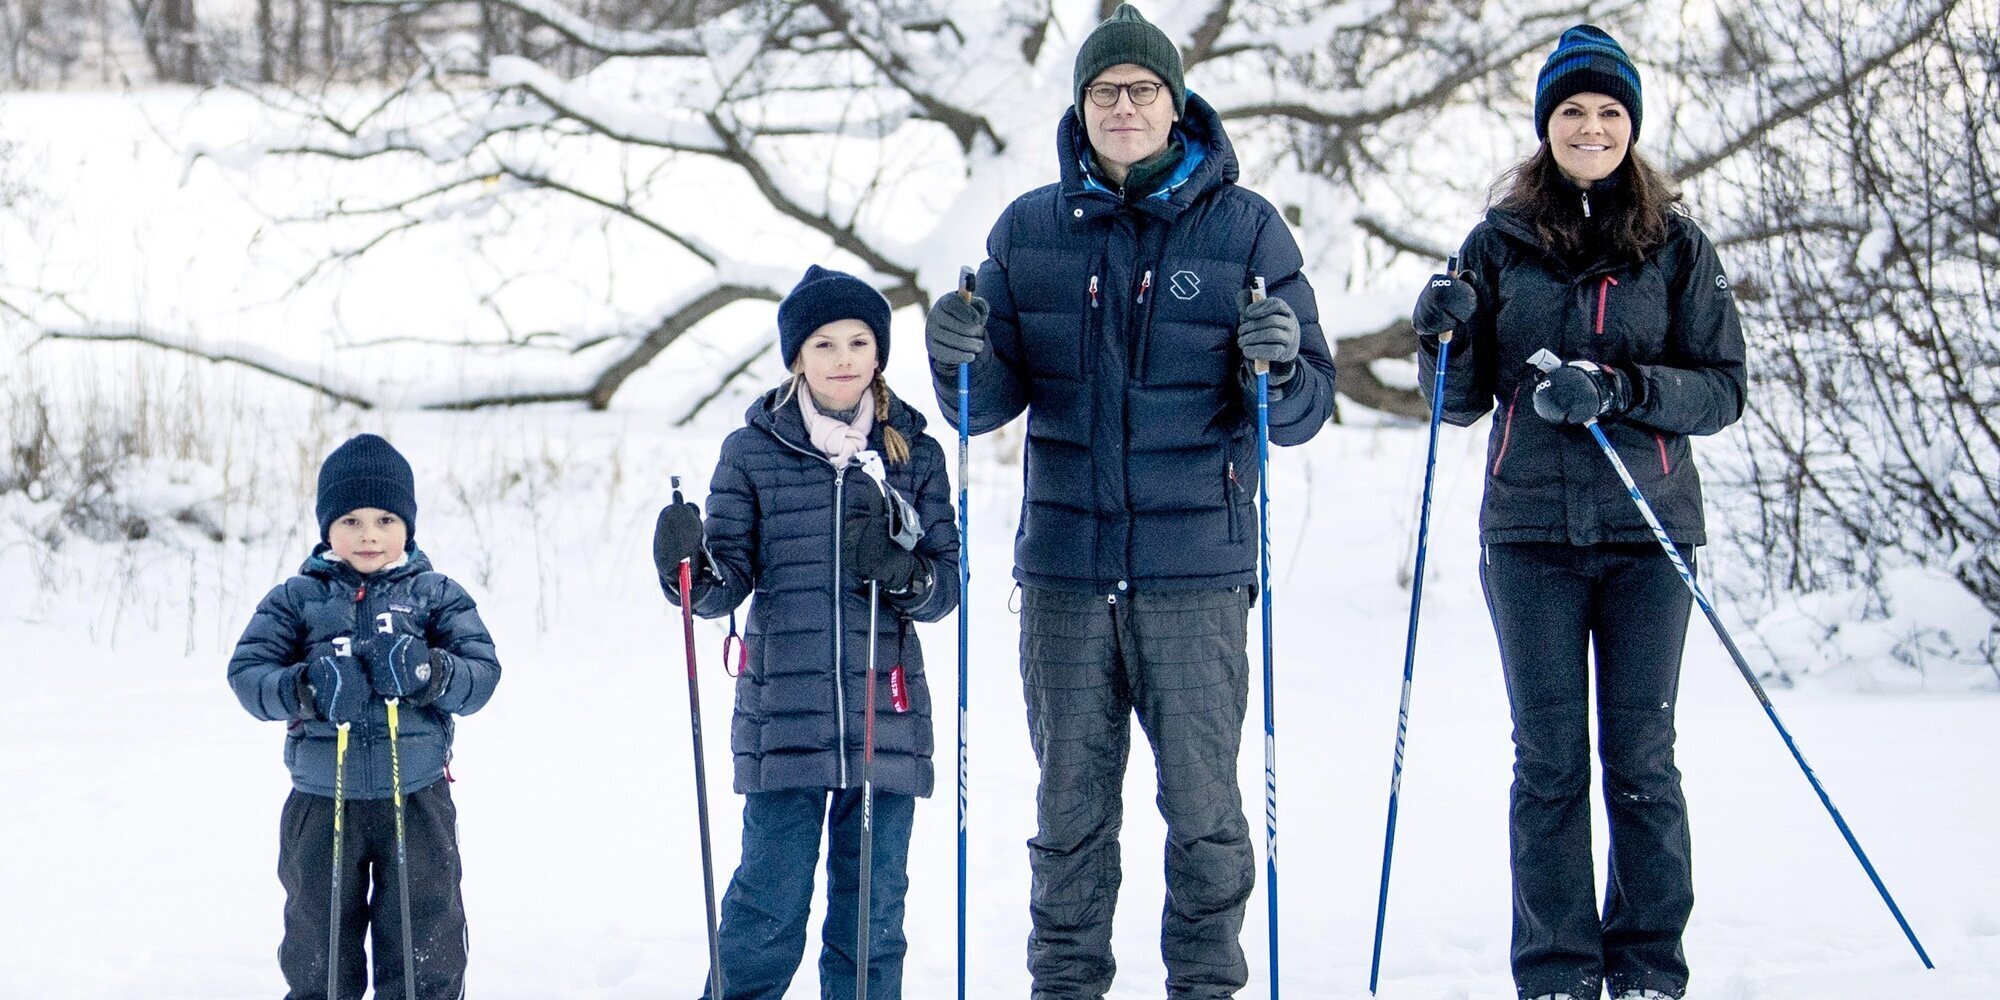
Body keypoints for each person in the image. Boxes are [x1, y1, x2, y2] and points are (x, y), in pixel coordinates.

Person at [922, 5, 1336, 996]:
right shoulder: (1027, 228)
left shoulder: (1244, 230)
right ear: (1079, 106)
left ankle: (1205, 984)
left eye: (1140, 90)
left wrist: (1277, 365)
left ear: (1175, 102)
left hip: (1193, 577)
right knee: (1068, 812)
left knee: (1202, 808)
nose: (1121, 106)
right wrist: (952, 360)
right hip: (1064, 574)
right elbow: (985, 406)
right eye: (1103, 91)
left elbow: (1303, 410)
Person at [1410, 24, 1747, 1000]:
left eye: (1606, 112)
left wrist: (1618, 388)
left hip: (1648, 535)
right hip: (1526, 540)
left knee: (1639, 754)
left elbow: (1721, 390)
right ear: (1544, 126)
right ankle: (1556, 969)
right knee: (1547, 760)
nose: (1589, 127)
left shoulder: (1674, 242)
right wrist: (1439, 336)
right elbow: (1456, 397)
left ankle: (1644, 964)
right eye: (1570, 111)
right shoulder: (1494, 241)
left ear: (1628, 125)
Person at [655, 265, 962, 1000]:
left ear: (880, 352)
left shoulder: (913, 452)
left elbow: (945, 587)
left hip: (882, 717)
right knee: (767, 905)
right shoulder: (752, 450)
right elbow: (725, 580)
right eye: (824, 343)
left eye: (859, 340)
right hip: (782, 717)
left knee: (870, 920)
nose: (844, 358)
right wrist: (686, 566)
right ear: (796, 356)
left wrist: (903, 571)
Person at [227, 432, 503, 1000]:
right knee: (318, 940)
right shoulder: (296, 598)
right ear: (327, 526)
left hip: (417, 796)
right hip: (320, 799)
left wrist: (430, 672)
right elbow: (248, 674)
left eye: (384, 519)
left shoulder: (434, 594)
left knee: (425, 930)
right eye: (351, 520)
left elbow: (482, 674)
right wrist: (304, 688)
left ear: (408, 526)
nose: (369, 534)